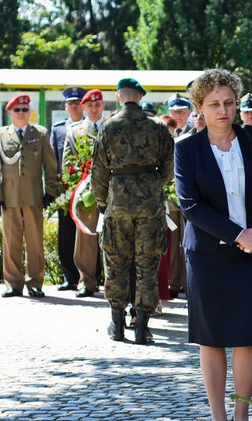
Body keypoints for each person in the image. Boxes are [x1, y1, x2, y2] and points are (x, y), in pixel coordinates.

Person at [174, 68, 252, 421]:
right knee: (212, 338)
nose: (223, 111)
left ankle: (242, 416)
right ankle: (218, 418)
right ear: (199, 108)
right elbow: (190, 205)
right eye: (214, 104)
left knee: (248, 337)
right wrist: (238, 234)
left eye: (229, 103)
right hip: (208, 256)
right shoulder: (187, 148)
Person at [91, 78, 174, 344]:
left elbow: (98, 172)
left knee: (116, 262)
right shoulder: (158, 126)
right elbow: (169, 168)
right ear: (140, 96)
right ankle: (142, 328)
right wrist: (151, 186)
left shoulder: (108, 126)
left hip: (118, 203)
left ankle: (117, 324)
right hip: (150, 204)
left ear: (119, 97)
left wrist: (104, 202)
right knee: (147, 263)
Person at [0, 94, 59, 298]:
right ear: (9, 113)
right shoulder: (0, 135)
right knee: (11, 241)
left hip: (34, 196)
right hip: (9, 197)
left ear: (29, 112)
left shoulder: (40, 134)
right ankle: (13, 283)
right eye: (17, 110)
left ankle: (35, 283)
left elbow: (50, 166)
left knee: (35, 242)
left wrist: (51, 192)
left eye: (25, 109)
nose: (21, 113)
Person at [63, 88, 105, 298]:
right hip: (86, 192)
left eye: (97, 105)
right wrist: (75, 182)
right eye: (90, 105)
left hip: (112, 191)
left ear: (103, 106)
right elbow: (67, 163)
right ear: (84, 107)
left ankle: (113, 283)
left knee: (113, 238)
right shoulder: (75, 131)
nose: (94, 109)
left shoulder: (112, 126)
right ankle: (86, 282)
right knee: (86, 237)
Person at [50, 86, 86, 292]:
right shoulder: (58, 129)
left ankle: (87, 277)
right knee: (65, 234)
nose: (74, 106)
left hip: (87, 189)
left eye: (78, 102)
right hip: (65, 190)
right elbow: (53, 160)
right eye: (70, 103)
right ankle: (69, 277)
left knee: (88, 234)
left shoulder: (90, 126)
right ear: (65, 107)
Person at [167, 93, 192, 298]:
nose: (178, 115)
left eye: (182, 111)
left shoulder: (196, 133)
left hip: (188, 196)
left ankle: (187, 281)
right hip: (168, 196)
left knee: (187, 239)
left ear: (189, 112)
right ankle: (172, 282)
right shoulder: (164, 133)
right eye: (174, 111)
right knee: (170, 241)